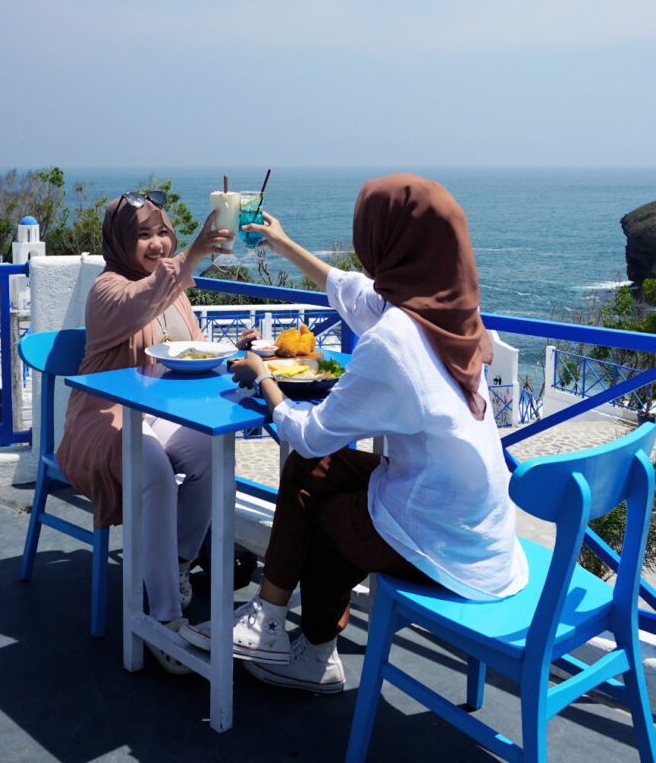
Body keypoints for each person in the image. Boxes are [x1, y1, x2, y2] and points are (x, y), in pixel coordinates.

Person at [182, 174, 529, 693]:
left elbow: (309, 434)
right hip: (479, 526)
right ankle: (272, 624)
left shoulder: (395, 340)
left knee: (321, 509)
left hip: (444, 542)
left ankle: (313, 652)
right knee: (316, 472)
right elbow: (351, 290)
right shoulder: (451, 311)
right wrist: (283, 244)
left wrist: (264, 377)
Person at [57, 190, 242, 674]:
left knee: (210, 449)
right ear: (121, 241)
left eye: (163, 232)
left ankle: (177, 563)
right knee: (153, 467)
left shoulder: (176, 295)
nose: (157, 244)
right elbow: (140, 303)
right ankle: (161, 619)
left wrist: (239, 355)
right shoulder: (109, 289)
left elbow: (197, 353)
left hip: (158, 416)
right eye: (143, 235)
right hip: (102, 418)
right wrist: (196, 252)